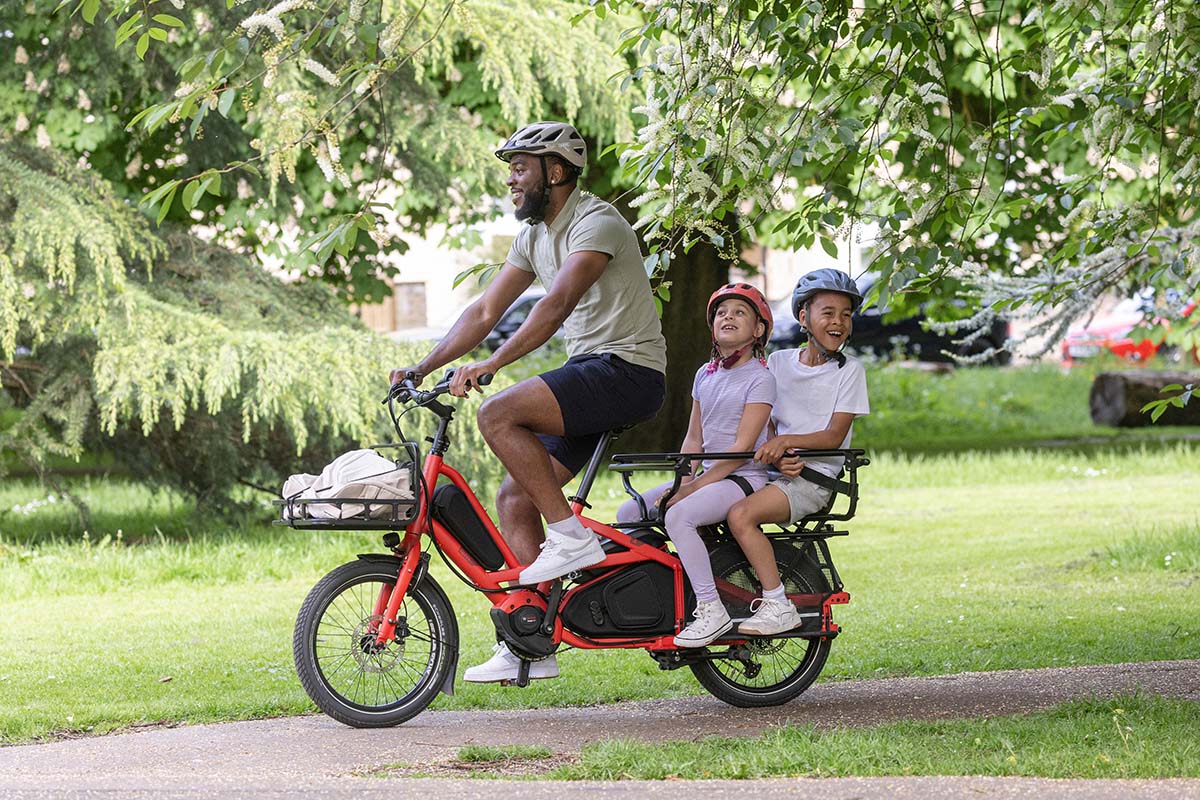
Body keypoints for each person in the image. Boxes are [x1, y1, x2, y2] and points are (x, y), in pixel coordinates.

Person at [389, 121, 667, 682]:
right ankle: (530, 641)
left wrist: (493, 366)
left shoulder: (598, 222)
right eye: (510, 169)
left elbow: (558, 302)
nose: (512, 181)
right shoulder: (532, 236)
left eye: (521, 168)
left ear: (556, 171)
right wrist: (423, 367)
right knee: (515, 499)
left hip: (629, 371)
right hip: (591, 370)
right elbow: (484, 312)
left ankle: (571, 538)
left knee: (498, 412)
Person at [616, 283, 776, 647]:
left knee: (678, 516)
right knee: (629, 513)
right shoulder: (705, 374)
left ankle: (711, 608)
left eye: (739, 312)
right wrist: (682, 480)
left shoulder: (760, 378)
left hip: (743, 479)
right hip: (709, 474)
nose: (728, 317)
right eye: (721, 313)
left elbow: (740, 450)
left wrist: (689, 491)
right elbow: (694, 439)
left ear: (758, 330)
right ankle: (673, 589)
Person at [726, 268, 870, 636]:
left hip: (813, 479)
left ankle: (778, 604)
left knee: (741, 516)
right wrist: (777, 449)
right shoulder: (777, 362)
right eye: (828, 312)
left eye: (846, 315)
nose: (838, 322)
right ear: (804, 317)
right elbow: (767, 423)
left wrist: (789, 444)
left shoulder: (849, 372)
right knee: (711, 505)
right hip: (775, 470)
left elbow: (834, 435)